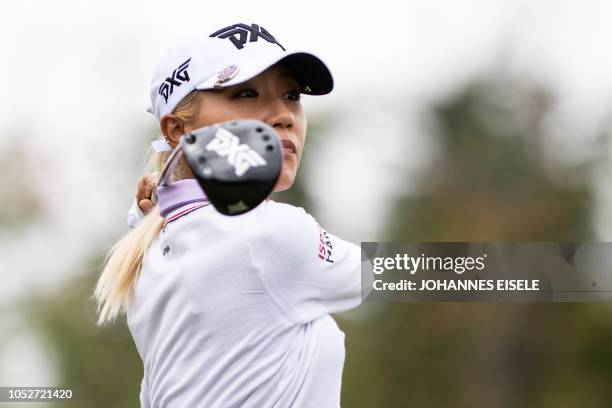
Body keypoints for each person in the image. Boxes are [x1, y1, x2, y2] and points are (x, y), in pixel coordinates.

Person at [93, 22, 371, 407]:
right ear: (177, 129)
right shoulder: (267, 234)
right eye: (245, 93)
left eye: (291, 94)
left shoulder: (152, 250)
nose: (283, 115)